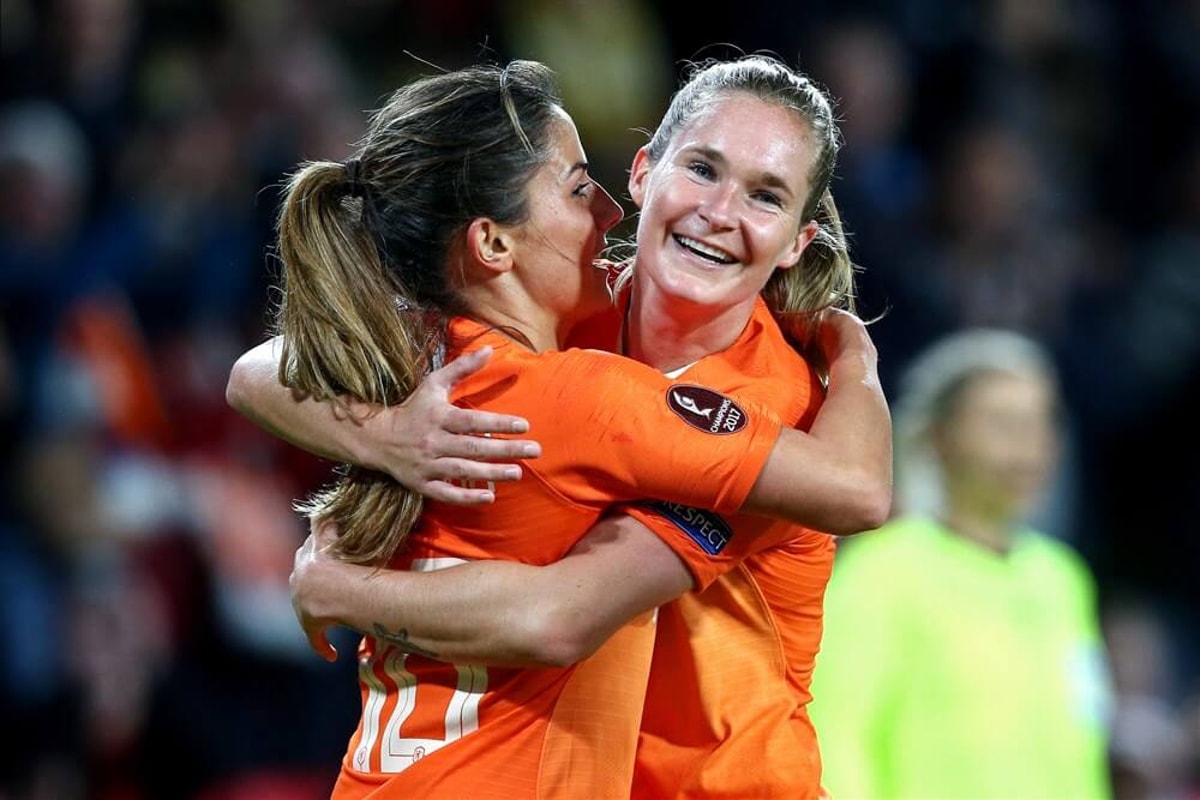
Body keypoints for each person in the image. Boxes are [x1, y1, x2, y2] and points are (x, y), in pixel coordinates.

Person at [228, 55, 890, 798]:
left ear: (798, 241)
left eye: (765, 196)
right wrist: (384, 432)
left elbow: (562, 615)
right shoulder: (559, 317)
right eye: (703, 169)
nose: (720, 211)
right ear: (643, 172)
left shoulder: (776, 408)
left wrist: (345, 591)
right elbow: (261, 369)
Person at [808, 328, 1113, 800]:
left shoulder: (1062, 579)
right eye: (1002, 423)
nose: (1028, 446)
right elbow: (836, 733)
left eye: (1040, 423)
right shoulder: (884, 569)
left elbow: (1083, 741)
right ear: (939, 437)